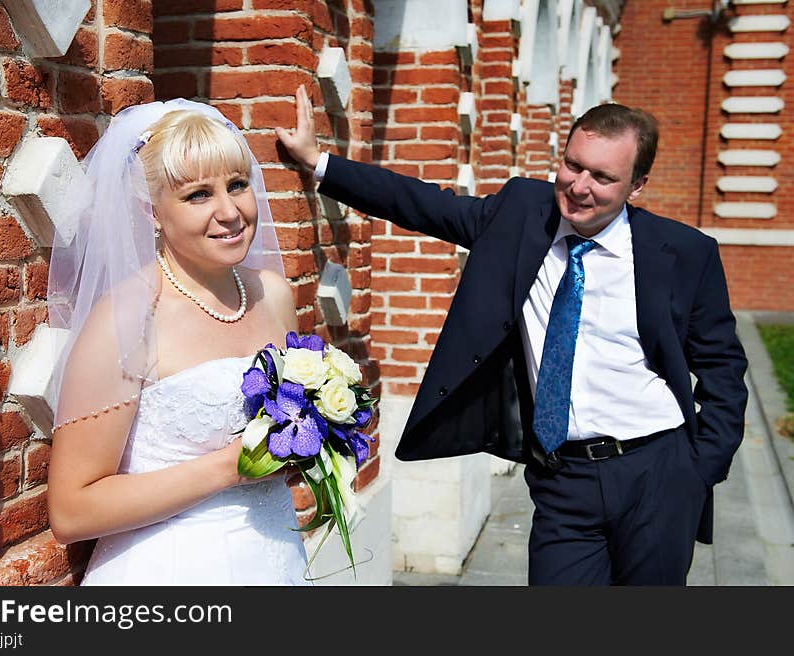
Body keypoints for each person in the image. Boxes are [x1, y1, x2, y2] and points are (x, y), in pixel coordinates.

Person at [276, 84, 748, 585]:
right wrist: (317, 161)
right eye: (573, 165)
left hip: (658, 470)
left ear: (637, 185)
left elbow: (723, 368)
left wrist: (701, 468)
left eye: (603, 177)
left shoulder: (684, 253)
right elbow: (421, 204)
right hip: (563, 477)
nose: (580, 186)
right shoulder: (523, 212)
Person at [46, 99, 311, 585]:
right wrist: (229, 468)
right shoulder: (128, 318)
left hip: (276, 559)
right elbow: (70, 511)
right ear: (152, 211)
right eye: (197, 196)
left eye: (237, 185)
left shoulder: (272, 294)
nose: (229, 212)